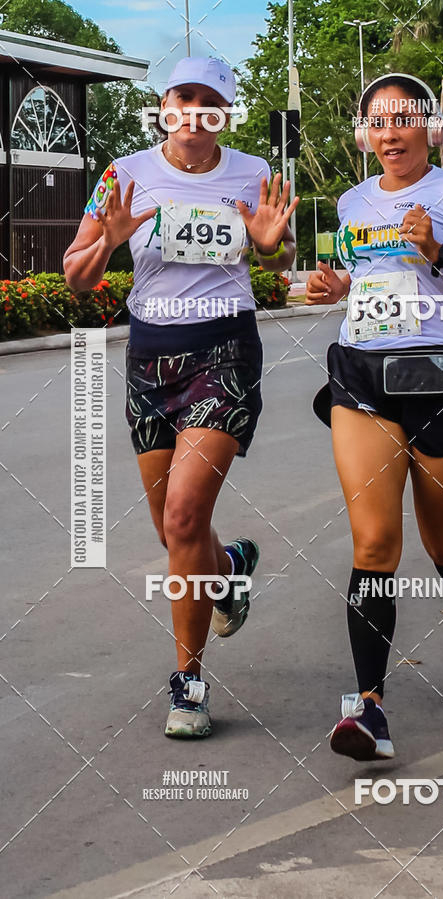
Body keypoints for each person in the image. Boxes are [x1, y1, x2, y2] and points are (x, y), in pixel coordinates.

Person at [64, 57, 298, 738]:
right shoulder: (125, 174)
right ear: (164, 105)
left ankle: (189, 684)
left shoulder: (253, 173)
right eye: (183, 96)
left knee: (187, 513)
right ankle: (227, 570)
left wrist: (270, 250)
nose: (195, 109)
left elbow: (278, 259)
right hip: (148, 356)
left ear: (224, 111)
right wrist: (105, 243)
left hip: (224, 350)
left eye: (210, 100)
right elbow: (77, 277)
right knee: (174, 531)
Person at [307, 73, 443, 762]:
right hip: (362, 374)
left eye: (404, 119)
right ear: (366, 133)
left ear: (430, 127)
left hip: (439, 378)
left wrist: (440, 252)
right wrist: (335, 285)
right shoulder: (351, 201)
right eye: (378, 121)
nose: (390, 132)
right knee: (374, 544)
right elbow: (358, 274)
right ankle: (369, 708)